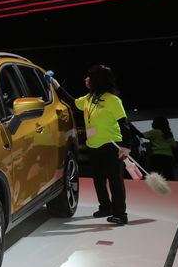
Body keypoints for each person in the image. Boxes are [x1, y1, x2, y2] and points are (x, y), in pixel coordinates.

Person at [52, 65, 133, 225]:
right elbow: (73, 102)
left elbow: (124, 124)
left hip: (111, 145)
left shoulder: (113, 100)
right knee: (98, 180)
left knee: (115, 180)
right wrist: (56, 85)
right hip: (93, 145)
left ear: (97, 80)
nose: (86, 79)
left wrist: (127, 145)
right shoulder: (88, 99)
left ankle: (120, 214)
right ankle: (105, 207)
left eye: (89, 77)